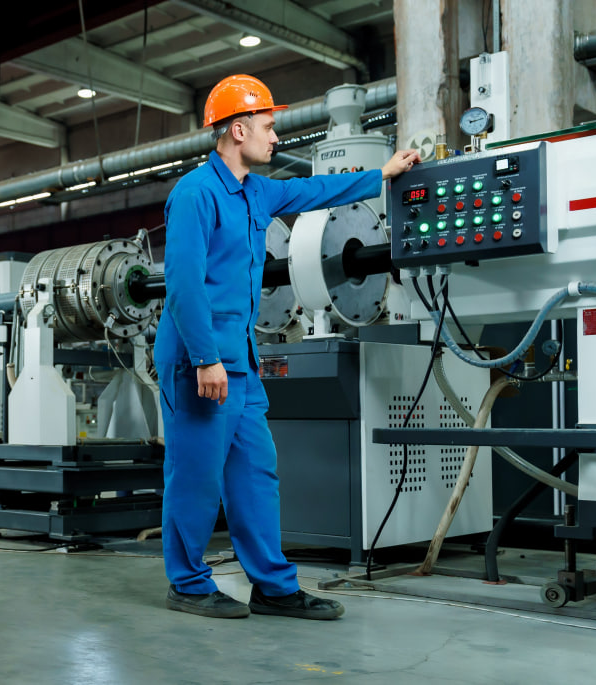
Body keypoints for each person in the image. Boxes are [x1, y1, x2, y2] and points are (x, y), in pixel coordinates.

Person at [156, 75, 421, 620]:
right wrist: (206, 358)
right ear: (237, 129)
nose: (276, 137)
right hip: (197, 356)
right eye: (269, 126)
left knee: (256, 473)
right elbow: (183, 286)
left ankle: (274, 587)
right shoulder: (195, 194)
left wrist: (383, 174)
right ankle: (186, 582)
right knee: (197, 474)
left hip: (243, 361)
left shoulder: (258, 191)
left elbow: (316, 192)